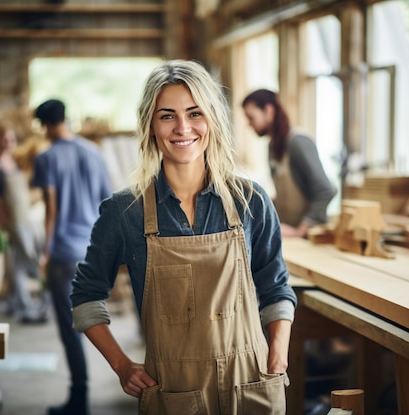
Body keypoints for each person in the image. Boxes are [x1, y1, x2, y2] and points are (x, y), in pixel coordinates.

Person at [70, 59, 297, 414]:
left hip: (251, 384)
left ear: (212, 119)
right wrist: (121, 365)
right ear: (150, 125)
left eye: (194, 113)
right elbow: (85, 297)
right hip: (174, 394)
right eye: (167, 116)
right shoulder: (124, 212)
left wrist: (278, 353)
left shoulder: (250, 200)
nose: (182, 128)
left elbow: (276, 286)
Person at [31, 99, 113, 415]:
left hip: (63, 253)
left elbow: (51, 208)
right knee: (93, 321)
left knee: (70, 328)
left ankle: (79, 397)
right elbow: (108, 204)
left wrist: (46, 251)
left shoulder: (47, 157)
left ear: (46, 125)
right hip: (90, 252)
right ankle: (84, 392)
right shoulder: (94, 153)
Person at [0, 120, 48, 323]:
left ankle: (21, 304)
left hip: (24, 218)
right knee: (30, 260)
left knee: (18, 263)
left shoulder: (12, 161)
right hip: (13, 220)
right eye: (4, 139)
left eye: (11, 138)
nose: (8, 142)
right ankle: (40, 301)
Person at [242, 89, 336, 237]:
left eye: (251, 117)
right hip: (290, 237)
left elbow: (325, 190)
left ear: (268, 111)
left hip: (310, 238)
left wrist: (300, 231)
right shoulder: (273, 147)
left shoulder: (298, 142)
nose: (249, 124)